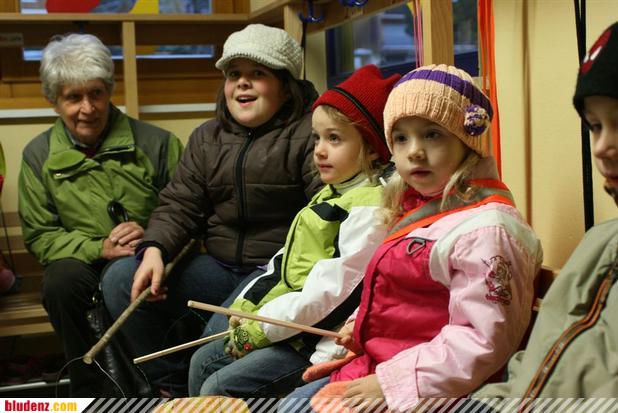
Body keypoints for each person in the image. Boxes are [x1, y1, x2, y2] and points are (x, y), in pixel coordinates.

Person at [281, 64, 543, 413]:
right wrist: (358, 324)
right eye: (401, 138)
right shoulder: (418, 207)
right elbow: (397, 296)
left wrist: (391, 384)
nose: (414, 151)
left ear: (468, 142)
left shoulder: (486, 230)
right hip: (387, 364)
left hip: (434, 388)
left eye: (432, 134)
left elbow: (482, 339)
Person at [102, 23, 322, 396]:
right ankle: (171, 391)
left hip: (274, 275)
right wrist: (155, 249)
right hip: (219, 267)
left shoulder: (310, 134)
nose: (243, 83)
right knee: (122, 279)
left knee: (210, 352)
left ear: (286, 87)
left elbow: (323, 216)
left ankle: (200, 392)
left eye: (258, 73)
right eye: (234, 74)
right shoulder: (208, 137)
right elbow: (180, 202)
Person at [187, 65, 401, 398]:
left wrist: (262, 328)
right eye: (317, 137)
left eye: (334, 138)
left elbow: (333, 295)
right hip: (291, 326)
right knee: (202, 361)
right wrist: (248, 306)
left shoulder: (370, 207)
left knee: (219, 384)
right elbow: (285, 262)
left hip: (316, 342)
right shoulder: (334, 191)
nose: (320, 150)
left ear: (373, 148)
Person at [17, 33, 183, 397]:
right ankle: (91, 391)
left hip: (146, 257)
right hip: (81, 262)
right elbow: (41, 235)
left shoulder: (157, 143)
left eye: (96, 93)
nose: (88, 108)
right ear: (54, 101)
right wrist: (99, 247)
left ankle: (161, 387)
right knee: (60, 282)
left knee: (128, 278)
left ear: (109, 91)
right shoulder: (38, 154)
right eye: (73, 97)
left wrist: (152, 236)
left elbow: (186, 209)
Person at [469, 21, 618, 408]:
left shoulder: (491, 225)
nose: (602, 147)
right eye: (595, 126)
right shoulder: (600, 242)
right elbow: (538, 368)